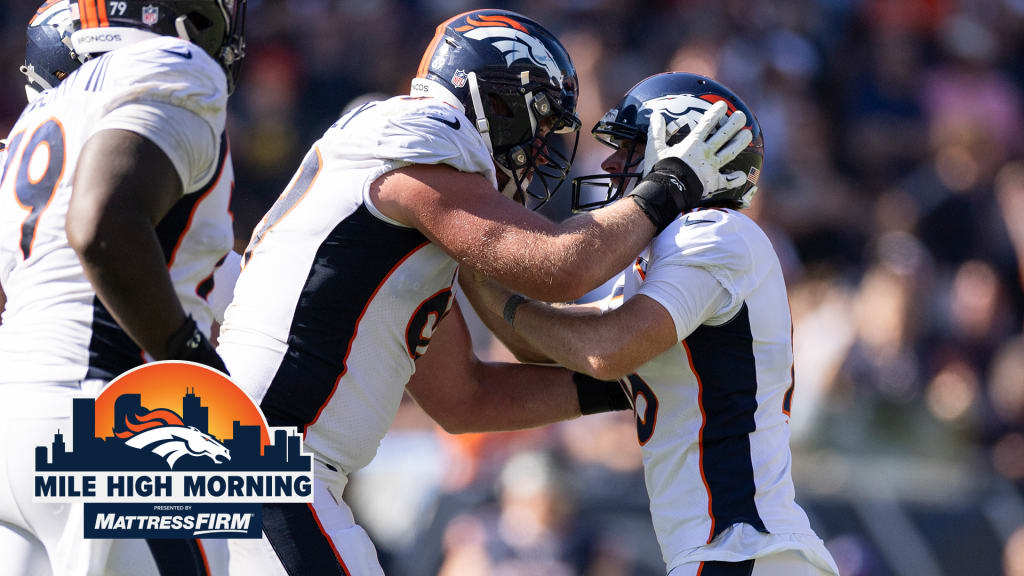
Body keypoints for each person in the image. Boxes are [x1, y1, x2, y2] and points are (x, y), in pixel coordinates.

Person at [216, 9, 751, 575]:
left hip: (256, 460)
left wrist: (636, 384)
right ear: (490, 99)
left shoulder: (397, 225)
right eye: (538, 122)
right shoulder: (419, 134)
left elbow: (463, 396)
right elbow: (558, 266)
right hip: (262, 464)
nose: (543, 149)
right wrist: (667, 187)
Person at [462, 73, 841, 576]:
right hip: (733, 553)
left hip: (740, 552)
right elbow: (536, 343)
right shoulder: (669, 257)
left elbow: (603, 351)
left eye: (633, 147)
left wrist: (500, 287)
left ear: (684, 149)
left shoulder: (714, 232)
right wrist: (465, 253)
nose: (612, 163)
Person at [0, 0, 246, 574]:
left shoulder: (45, 109)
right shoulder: (172, 64)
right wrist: (193, 362)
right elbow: (102, 228)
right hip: (107, 418)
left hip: (14, 423)